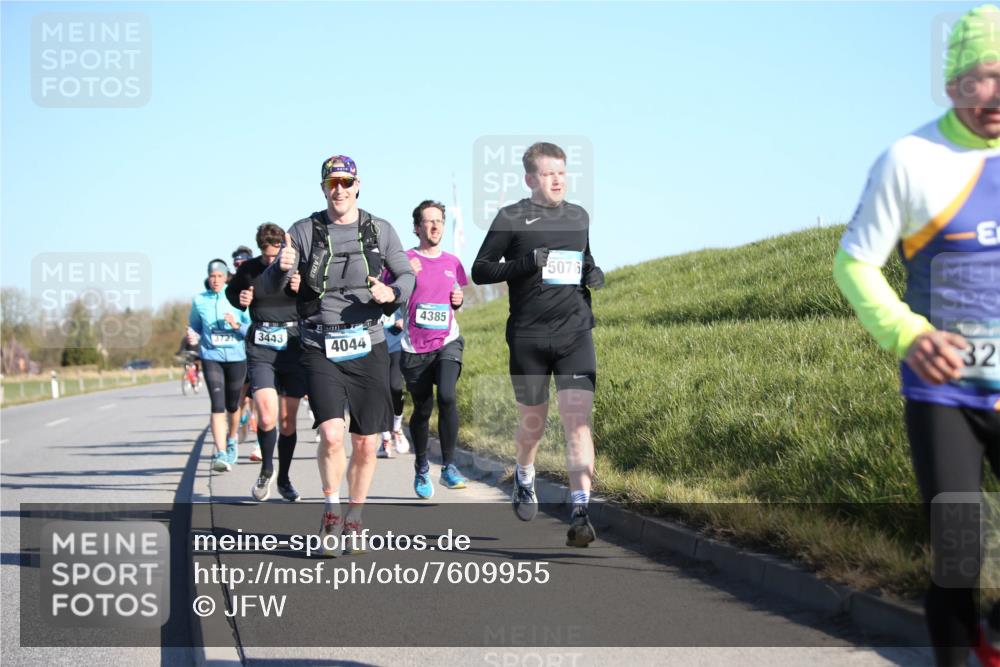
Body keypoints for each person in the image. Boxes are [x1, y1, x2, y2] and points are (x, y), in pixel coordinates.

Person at [833, 6, 1000, 665]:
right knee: (959, 550)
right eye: (984, 77)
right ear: (955, 84)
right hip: (946, 394)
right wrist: (907, 332)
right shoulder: (911, 160)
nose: (997, 94)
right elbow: (855, 263)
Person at [261, 154, 414, 555]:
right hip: (320, 343)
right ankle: (331, 510)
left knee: (365, 443)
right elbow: (272, 282)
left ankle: (356, 516)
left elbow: (406, 274)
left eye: (346, 182)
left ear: (358, 185)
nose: (340, 190)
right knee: (332, 434)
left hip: (369, 342)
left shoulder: (380, 229)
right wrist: (282, 267)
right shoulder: (304, 230)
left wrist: (392, 293)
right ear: (324, 188)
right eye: (333, 183)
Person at [472, 142, 605, 547]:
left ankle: (581, 510)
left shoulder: (578, 215)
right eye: (549, 174)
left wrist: (593, 270)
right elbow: (481, 271)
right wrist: (526, 263)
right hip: (529, 337)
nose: (558, 179)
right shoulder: (511, 217)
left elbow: (583, 257)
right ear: (531, 178)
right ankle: (524, 475)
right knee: (533, 422)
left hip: (574, 333)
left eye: (562, 172)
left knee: (577, 421)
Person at [226, 223, 307, 502]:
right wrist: (241, 299)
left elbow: (315, 299)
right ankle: (266, 469)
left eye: (277, 256)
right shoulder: (248, 269)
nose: (272, 263)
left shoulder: (297, 265)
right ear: (261, 250)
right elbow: (232, 293)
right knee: (267, 414)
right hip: (261, 345)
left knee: (287, 422)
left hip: (294, 344)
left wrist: (302, 287)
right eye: (267, 257)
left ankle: (284, 478)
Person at [400, 200, 469, 498]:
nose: (435, 225)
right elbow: (388, 298)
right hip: (414, 347)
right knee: (423, 408)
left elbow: (457, 296)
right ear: (417, 227)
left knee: (448, 395)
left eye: (439, 220)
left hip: (447, 340)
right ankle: (421, 466)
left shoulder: (453, 262)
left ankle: (450, 467)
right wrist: (405, 276)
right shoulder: (404, 260)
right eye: (428, 221)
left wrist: (458, 301)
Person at [188, 259, 252, 472]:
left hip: (237, 356)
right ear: (208, 277)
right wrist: (192, 336)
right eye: (212, 276)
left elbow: (250, 327)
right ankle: (221, 452)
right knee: (217, 405)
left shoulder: (236, 297)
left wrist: (236, 326)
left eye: (219, 276)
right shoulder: (199, 301)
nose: (215, 280)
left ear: (226, 277)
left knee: (233, 406)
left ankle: (232, 438)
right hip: (211, 356)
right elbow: (195, 326)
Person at [376, 306, 409, 459]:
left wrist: (405, 319)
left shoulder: (399, 285)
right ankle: (385, 439)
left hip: (396, 345)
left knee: (395, 387)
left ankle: (397, 428)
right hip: (373, 348)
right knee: (380, 391)